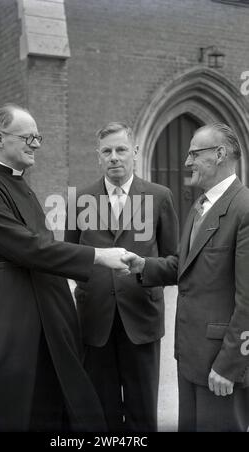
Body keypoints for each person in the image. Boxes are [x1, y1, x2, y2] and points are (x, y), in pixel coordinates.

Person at [0, 104, 131, 432]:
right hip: (11, 308)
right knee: (9, 395)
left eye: (39, 137)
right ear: (0, 138)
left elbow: (42, 248)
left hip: (48, 304)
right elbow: (26, 247)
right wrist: (97, 256)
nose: (36, 143)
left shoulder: (23, 186)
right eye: (28, 137)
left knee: (50, 393)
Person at [124, 123, 249, 432]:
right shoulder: (200, 206)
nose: (187, 162)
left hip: (221, 365)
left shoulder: (244, 209)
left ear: (219, 154)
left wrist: (230, 365)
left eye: (194, 153)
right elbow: (187, 264)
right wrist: (144, 266)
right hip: (192, 357)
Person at [64, 122, 179, 431]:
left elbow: (176, 263)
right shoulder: (80, 199)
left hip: (141, 318)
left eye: (121, 149)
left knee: (143, 416)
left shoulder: (159, 196)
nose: (114, 157)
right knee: (101, 415)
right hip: (95, 320)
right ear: (98, 156)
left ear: (135, 152)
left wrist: (145, 267)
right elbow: (69, 258)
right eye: (107, 151)